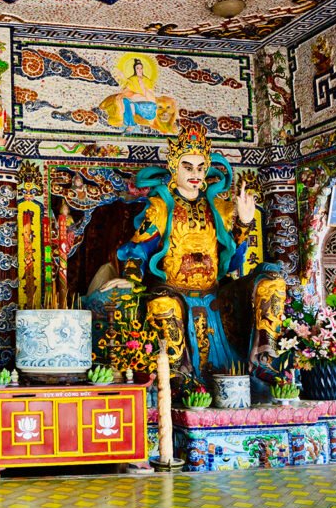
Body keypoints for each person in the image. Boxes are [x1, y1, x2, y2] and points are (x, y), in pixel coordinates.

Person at [101, 123, 286, 383]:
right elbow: (139, 249)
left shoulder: (220, 208)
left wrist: (244, 224)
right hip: (174, 290)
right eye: (187, 167)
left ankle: (264, 358)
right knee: (162, 303)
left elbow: (232, 260)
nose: (195, 174)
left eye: (201, 167)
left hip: (216, 292)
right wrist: (131, 279)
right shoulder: (160, 207)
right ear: (174, 168)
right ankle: (178, 375)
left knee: (273, 281)